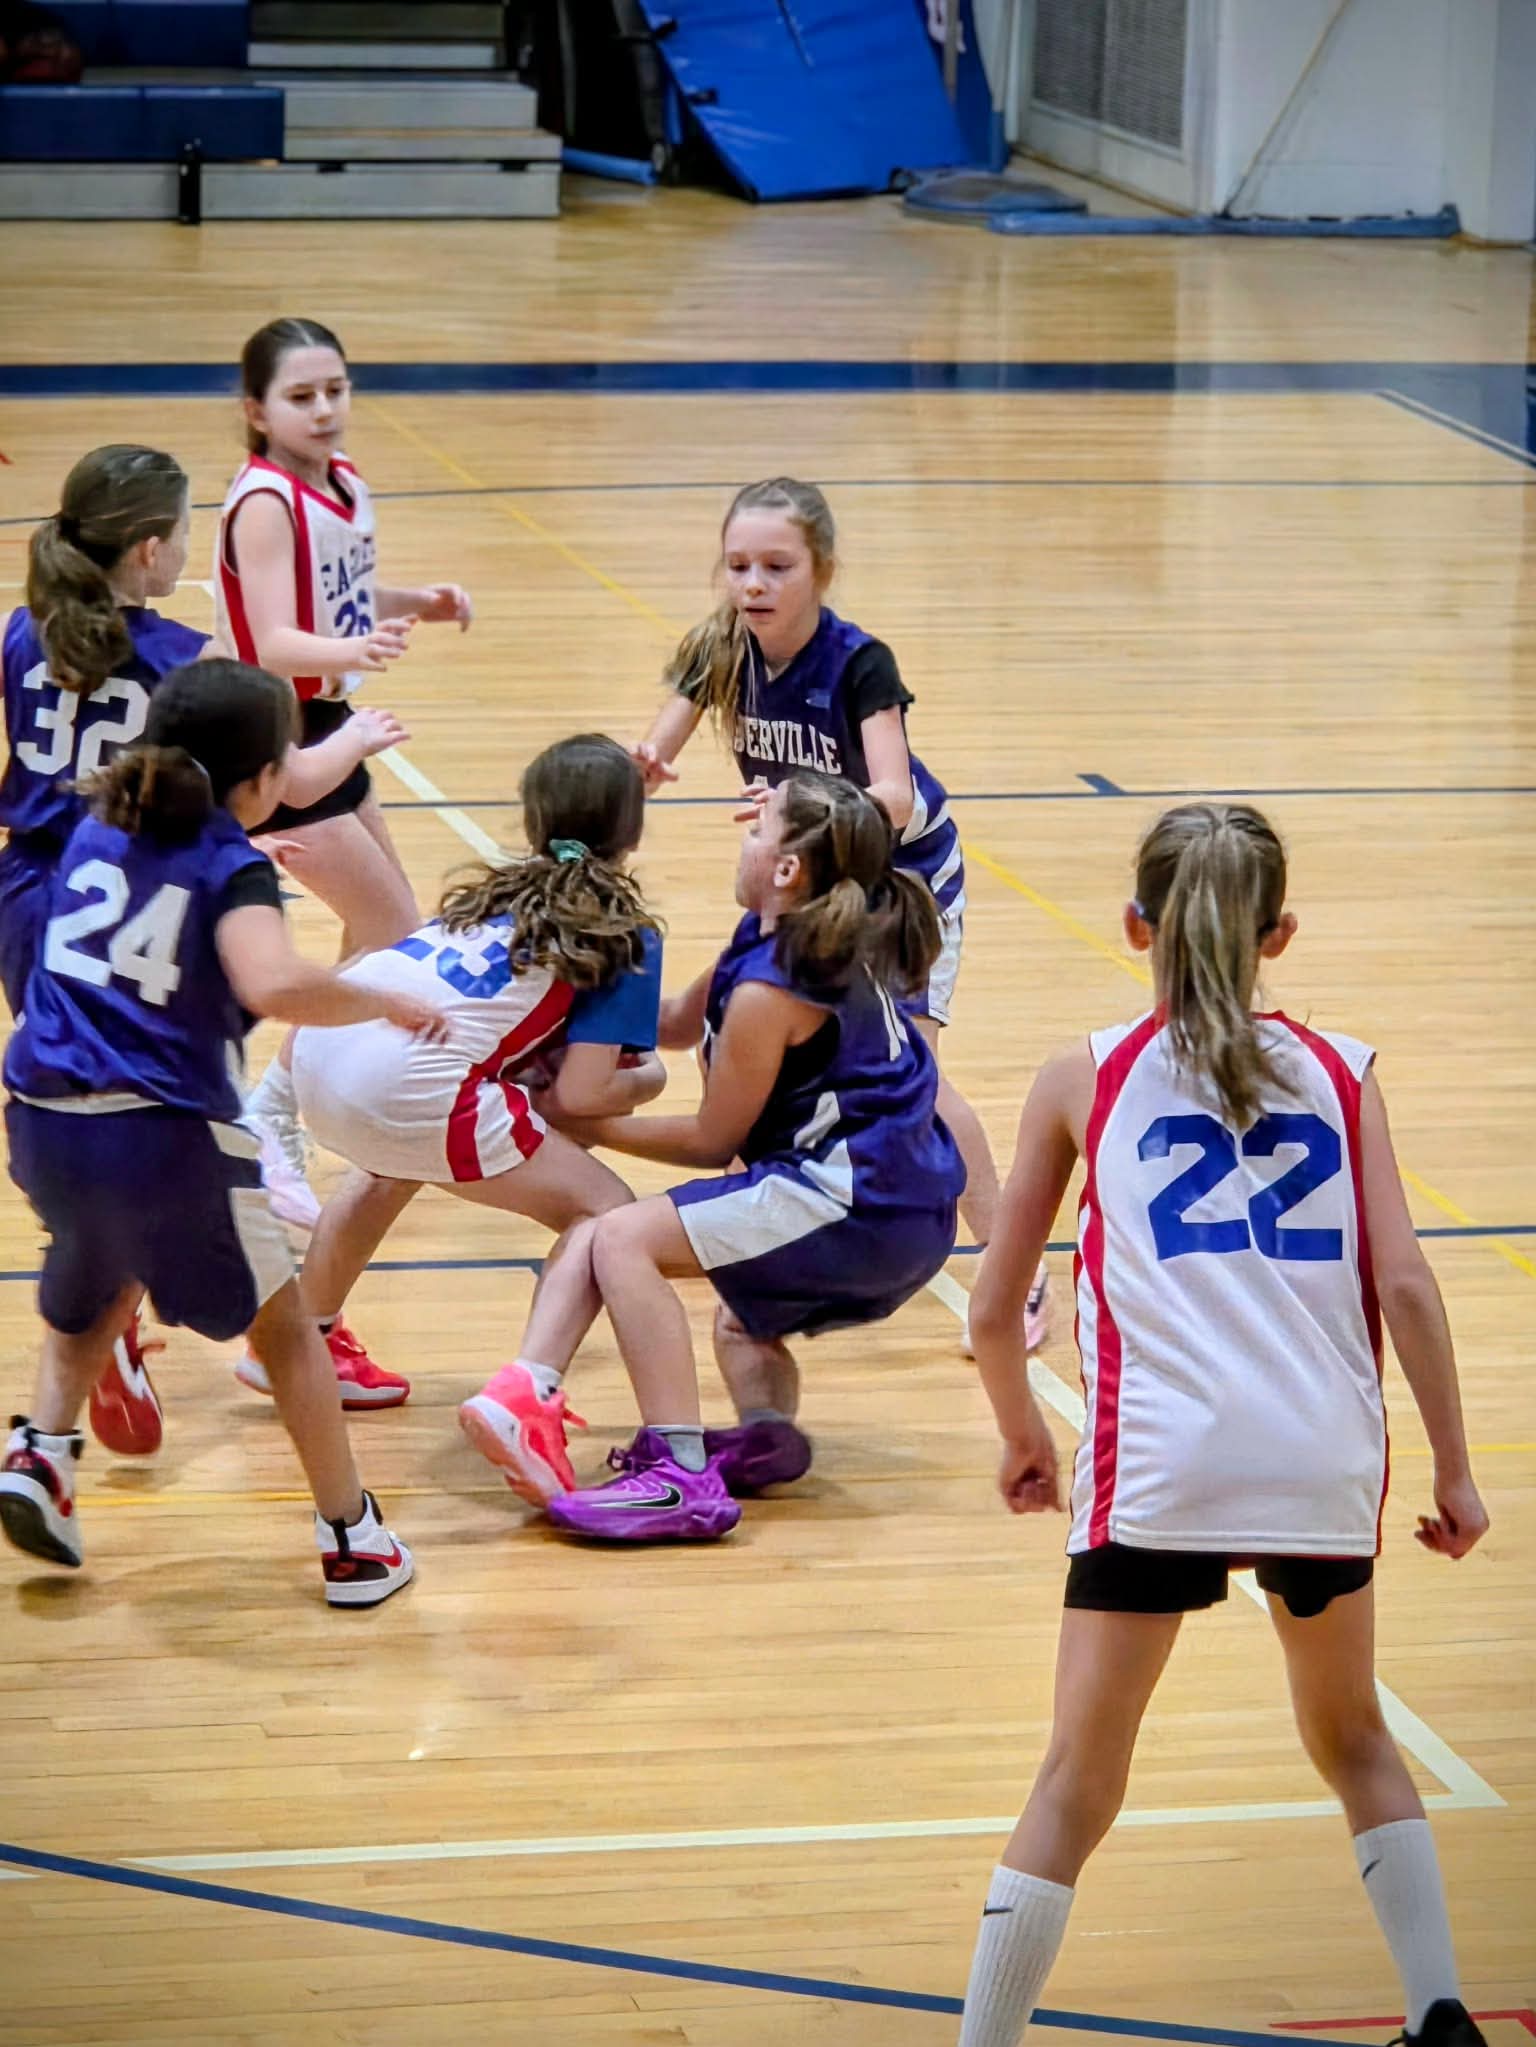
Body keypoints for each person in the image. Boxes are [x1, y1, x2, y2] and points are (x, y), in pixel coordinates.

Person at [954, 802, 1490, 2047]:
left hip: (1163, 1466)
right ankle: (1443, 2010)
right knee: (1356, 1739)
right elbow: (1406, 1284)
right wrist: (1457, 1469)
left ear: (1136, 925)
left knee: (1077, 1780)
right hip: (1322, 1459)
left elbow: (995, 1307)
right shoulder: (1347, 1070)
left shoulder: (1086, 1072)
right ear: (1281, 936)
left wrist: (1021, 1430)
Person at [0, 660, 439, 1604]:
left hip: (38, 1121)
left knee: (94, 1264)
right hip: (157, 1136)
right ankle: (354, 1539)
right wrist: (380, 996)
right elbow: (272, 985)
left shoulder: (97, 821)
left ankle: (40, 1449)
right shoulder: (230, 866)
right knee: (284, 1328)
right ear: (260, 783)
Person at [0, 443, 404, 1455]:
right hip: (148, 880)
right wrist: (353, 742)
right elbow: (297, 777)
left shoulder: (20, 632)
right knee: (152, 1103)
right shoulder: (180, 658)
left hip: (36, 892)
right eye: (185, 531)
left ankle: (97, 1317)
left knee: (79, 1099)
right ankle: (139, 1310)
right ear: (150, 549)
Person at [464, 771, 966, 1543]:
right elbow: (668, 1022)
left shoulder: (780, 988)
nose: (744, 838)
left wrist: (581, 1123)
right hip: (901, 1203)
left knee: (621, 1238)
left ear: (788, 869)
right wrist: (561, 1025)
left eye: (757, 830)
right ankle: (767, 1432)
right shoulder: (777, 934)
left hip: (859, 1203)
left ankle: (678, 1475)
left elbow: (711, 1140)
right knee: (741, 1318)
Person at [630, 476, 1049, 1356]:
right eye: (739, 564)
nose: (754, 583)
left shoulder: (861, 663)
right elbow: (652, 750)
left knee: (918, 1074)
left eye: (776, 566)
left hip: (897, 876)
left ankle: (1016, 1274)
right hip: (815, 877)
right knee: (786, 1050)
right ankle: (788, 1212)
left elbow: (892, 794)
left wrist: (801, 802)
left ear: (819, 570)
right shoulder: (722, 648)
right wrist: (629, 776)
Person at [235, 734, 666, 1414]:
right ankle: (528, 1395)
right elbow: (583, 1093)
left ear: (533, 821)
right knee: (605, 1212)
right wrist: (650, 1082)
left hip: (323, 1050)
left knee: (390, 1164)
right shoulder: (622, 932)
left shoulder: (492, 893)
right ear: (635, 830)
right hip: (407, 1084)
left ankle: (297, 1343)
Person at [217, 316, 473, 1227]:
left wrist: (418, 603)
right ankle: (264, 1112)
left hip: (329, 720)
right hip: (275, 737)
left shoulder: (339, 481)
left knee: (389, 929)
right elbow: (277, 636)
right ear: (257, 409)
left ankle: (279, 1099)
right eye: (301, 395)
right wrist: (354, 643)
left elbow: (343, 591)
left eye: (335, 389)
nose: (324, 408)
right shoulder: (263, 502)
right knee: (391, 927)